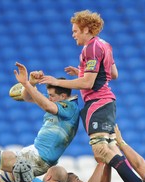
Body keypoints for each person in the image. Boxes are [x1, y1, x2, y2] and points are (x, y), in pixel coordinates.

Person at [39, 10, 121, 164]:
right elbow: (113, 73)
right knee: (109, 150)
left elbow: (87, 83)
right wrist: (82, 72)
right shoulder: (105, 45)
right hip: (107, 102)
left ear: (86, 29)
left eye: (75, 31)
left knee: (101, 151)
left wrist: (56, 81)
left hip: (98, 102)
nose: (73, 35)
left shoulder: (90, 48)